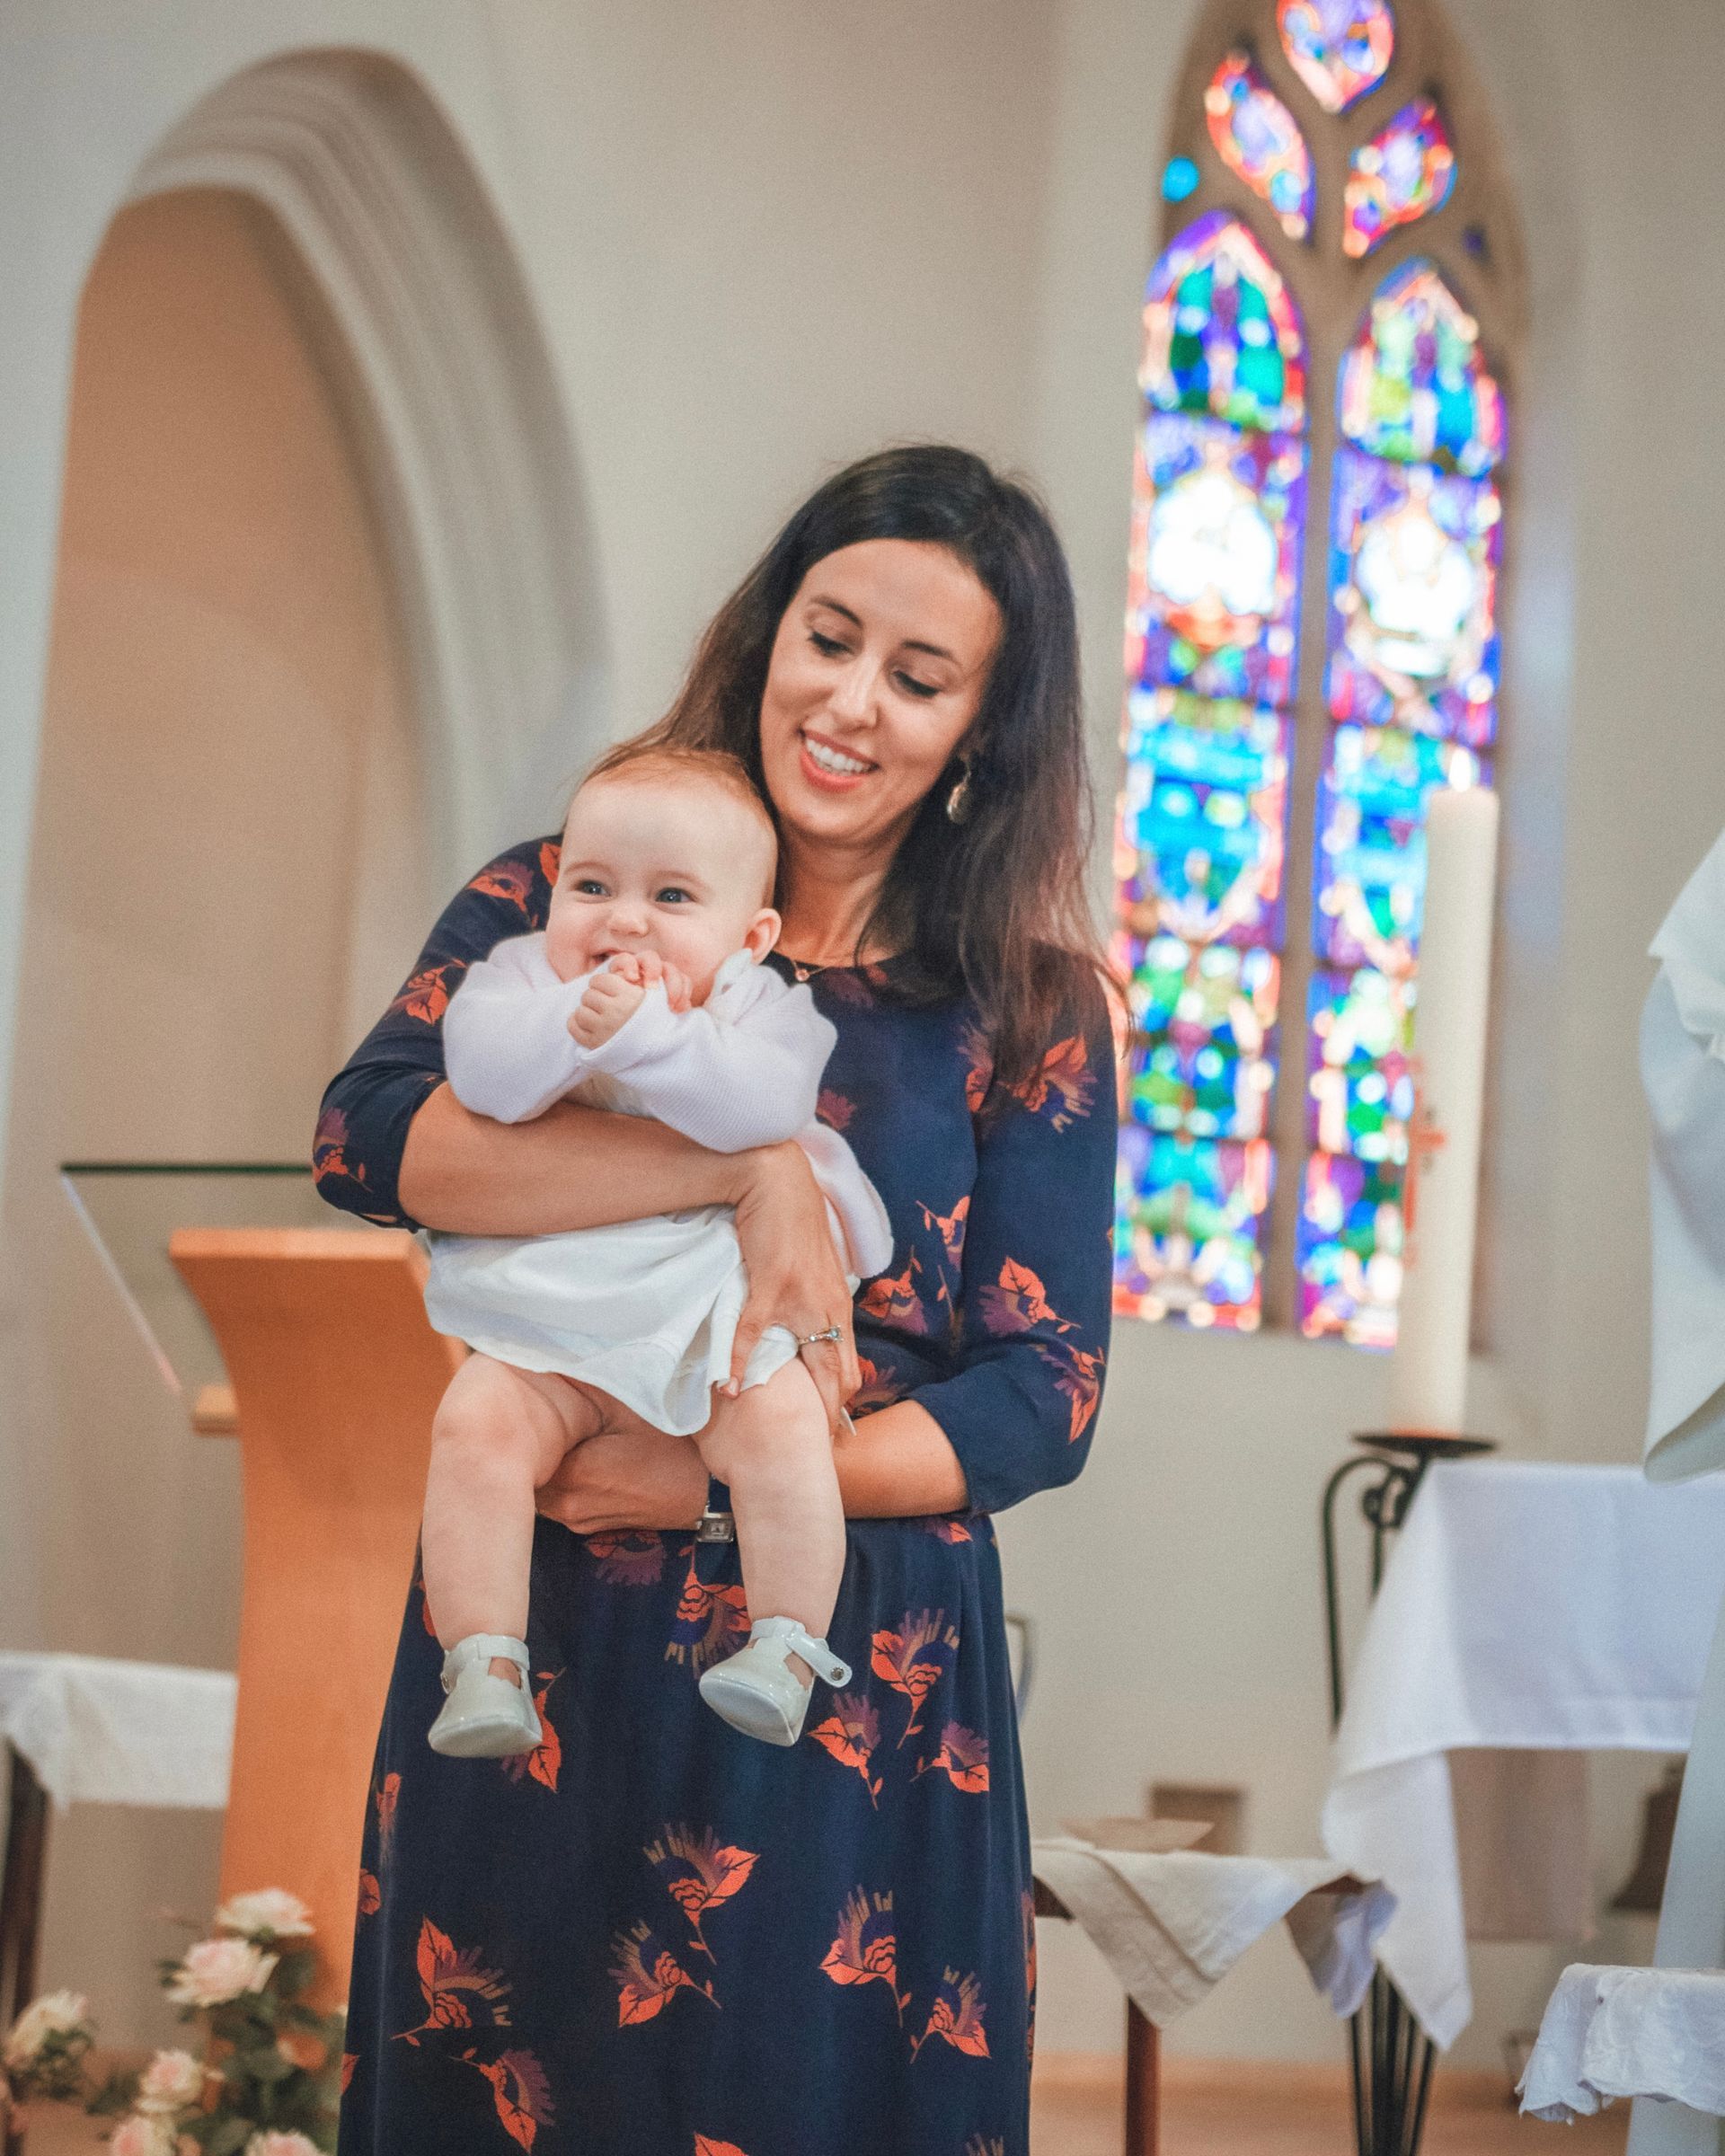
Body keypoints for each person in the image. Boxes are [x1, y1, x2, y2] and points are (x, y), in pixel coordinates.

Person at [319, 445, 1117, 2155]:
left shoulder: (1029, 1003)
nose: (849, 703)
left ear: (983, 728)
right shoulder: (569, 889)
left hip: (842, 1648)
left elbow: (1042, 1393)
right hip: (539, 1640)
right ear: (767, 632)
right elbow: (374, 1134)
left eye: (919, 678)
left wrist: (720, 1485)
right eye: (827, 637)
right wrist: (747, 1168)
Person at [420, 741, 891, 1756]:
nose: (625, 918)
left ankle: (787, 1644)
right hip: (557, 1329)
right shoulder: (516, 983)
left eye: (672, 897)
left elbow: (763, 1111)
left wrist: (651, 1040)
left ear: (751, 934)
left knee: (782, 1434)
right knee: (475, 1425)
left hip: (708, 1329)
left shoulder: (762, 1012)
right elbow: (483, 1078)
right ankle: (484, 1660)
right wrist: (575, 1029)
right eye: (593, 885)